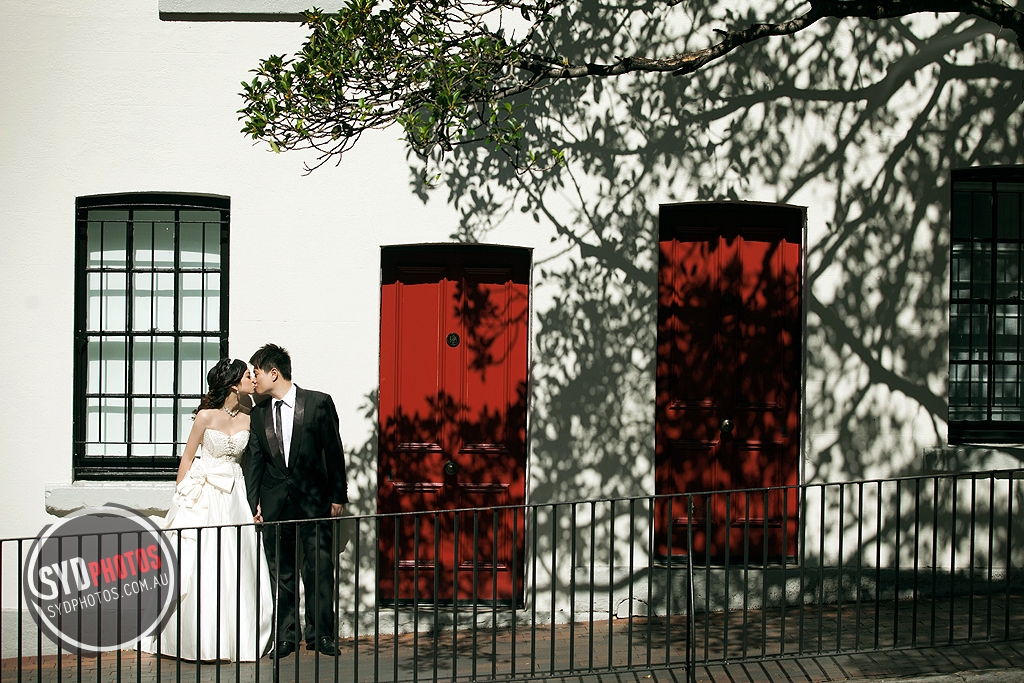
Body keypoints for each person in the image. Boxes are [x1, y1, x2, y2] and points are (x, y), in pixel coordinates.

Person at [140, 359, 274, 661]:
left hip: (235, 494)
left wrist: (255, 501)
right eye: (247, 375)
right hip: (205, 494)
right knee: (203, 559)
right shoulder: (205, 416)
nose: (252, 379)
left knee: (236, 560)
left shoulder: (250, 413)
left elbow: (251, 463)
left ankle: (236, 636)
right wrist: (182, 495)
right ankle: (197, 639)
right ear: (233, 385)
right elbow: (187, 458)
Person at [243, 344, 348, 658]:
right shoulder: (258, 414)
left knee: (319, 568)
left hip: (314, 501)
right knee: (281, 572)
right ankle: (286, 636)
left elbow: (334, 451)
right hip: (275, 505)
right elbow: (254, 463)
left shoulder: (318, 403)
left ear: (274, 373)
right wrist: (253, 503)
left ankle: (322, 635)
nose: (253, 379)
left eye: (256, 373)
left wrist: (337, 495)